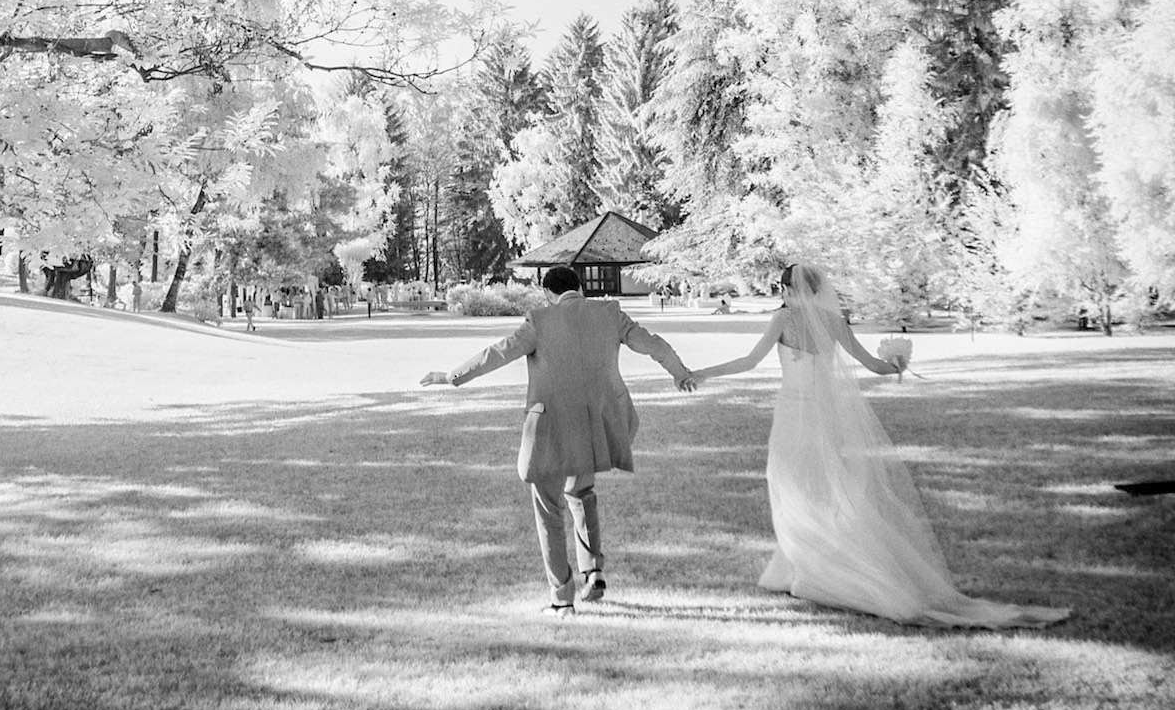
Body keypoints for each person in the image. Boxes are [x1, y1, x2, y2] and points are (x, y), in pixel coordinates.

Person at [690, 262, 1069, 629]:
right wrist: (898, 364)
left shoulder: (783, 319)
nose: (784, 296)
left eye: (785, 289)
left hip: (794, 415)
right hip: (825, 417)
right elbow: (873, 366)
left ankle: (809, 569)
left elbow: (749, 361)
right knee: (826, 487)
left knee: (794, 486)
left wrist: (703, 373)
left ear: (789, 290)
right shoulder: (835, 323)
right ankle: (804, 566)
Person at [421, 264, 697, 614]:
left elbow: (499, 352)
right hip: (596, 425)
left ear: (548, 295)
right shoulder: (610, 312)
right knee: (581, 493)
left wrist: (450, 376)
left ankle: (562, 598)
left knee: (549, 508)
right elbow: (653, 345)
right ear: (580, 287)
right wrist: (680, 373)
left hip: (551, 426)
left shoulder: (540, 319)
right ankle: (593, 570)